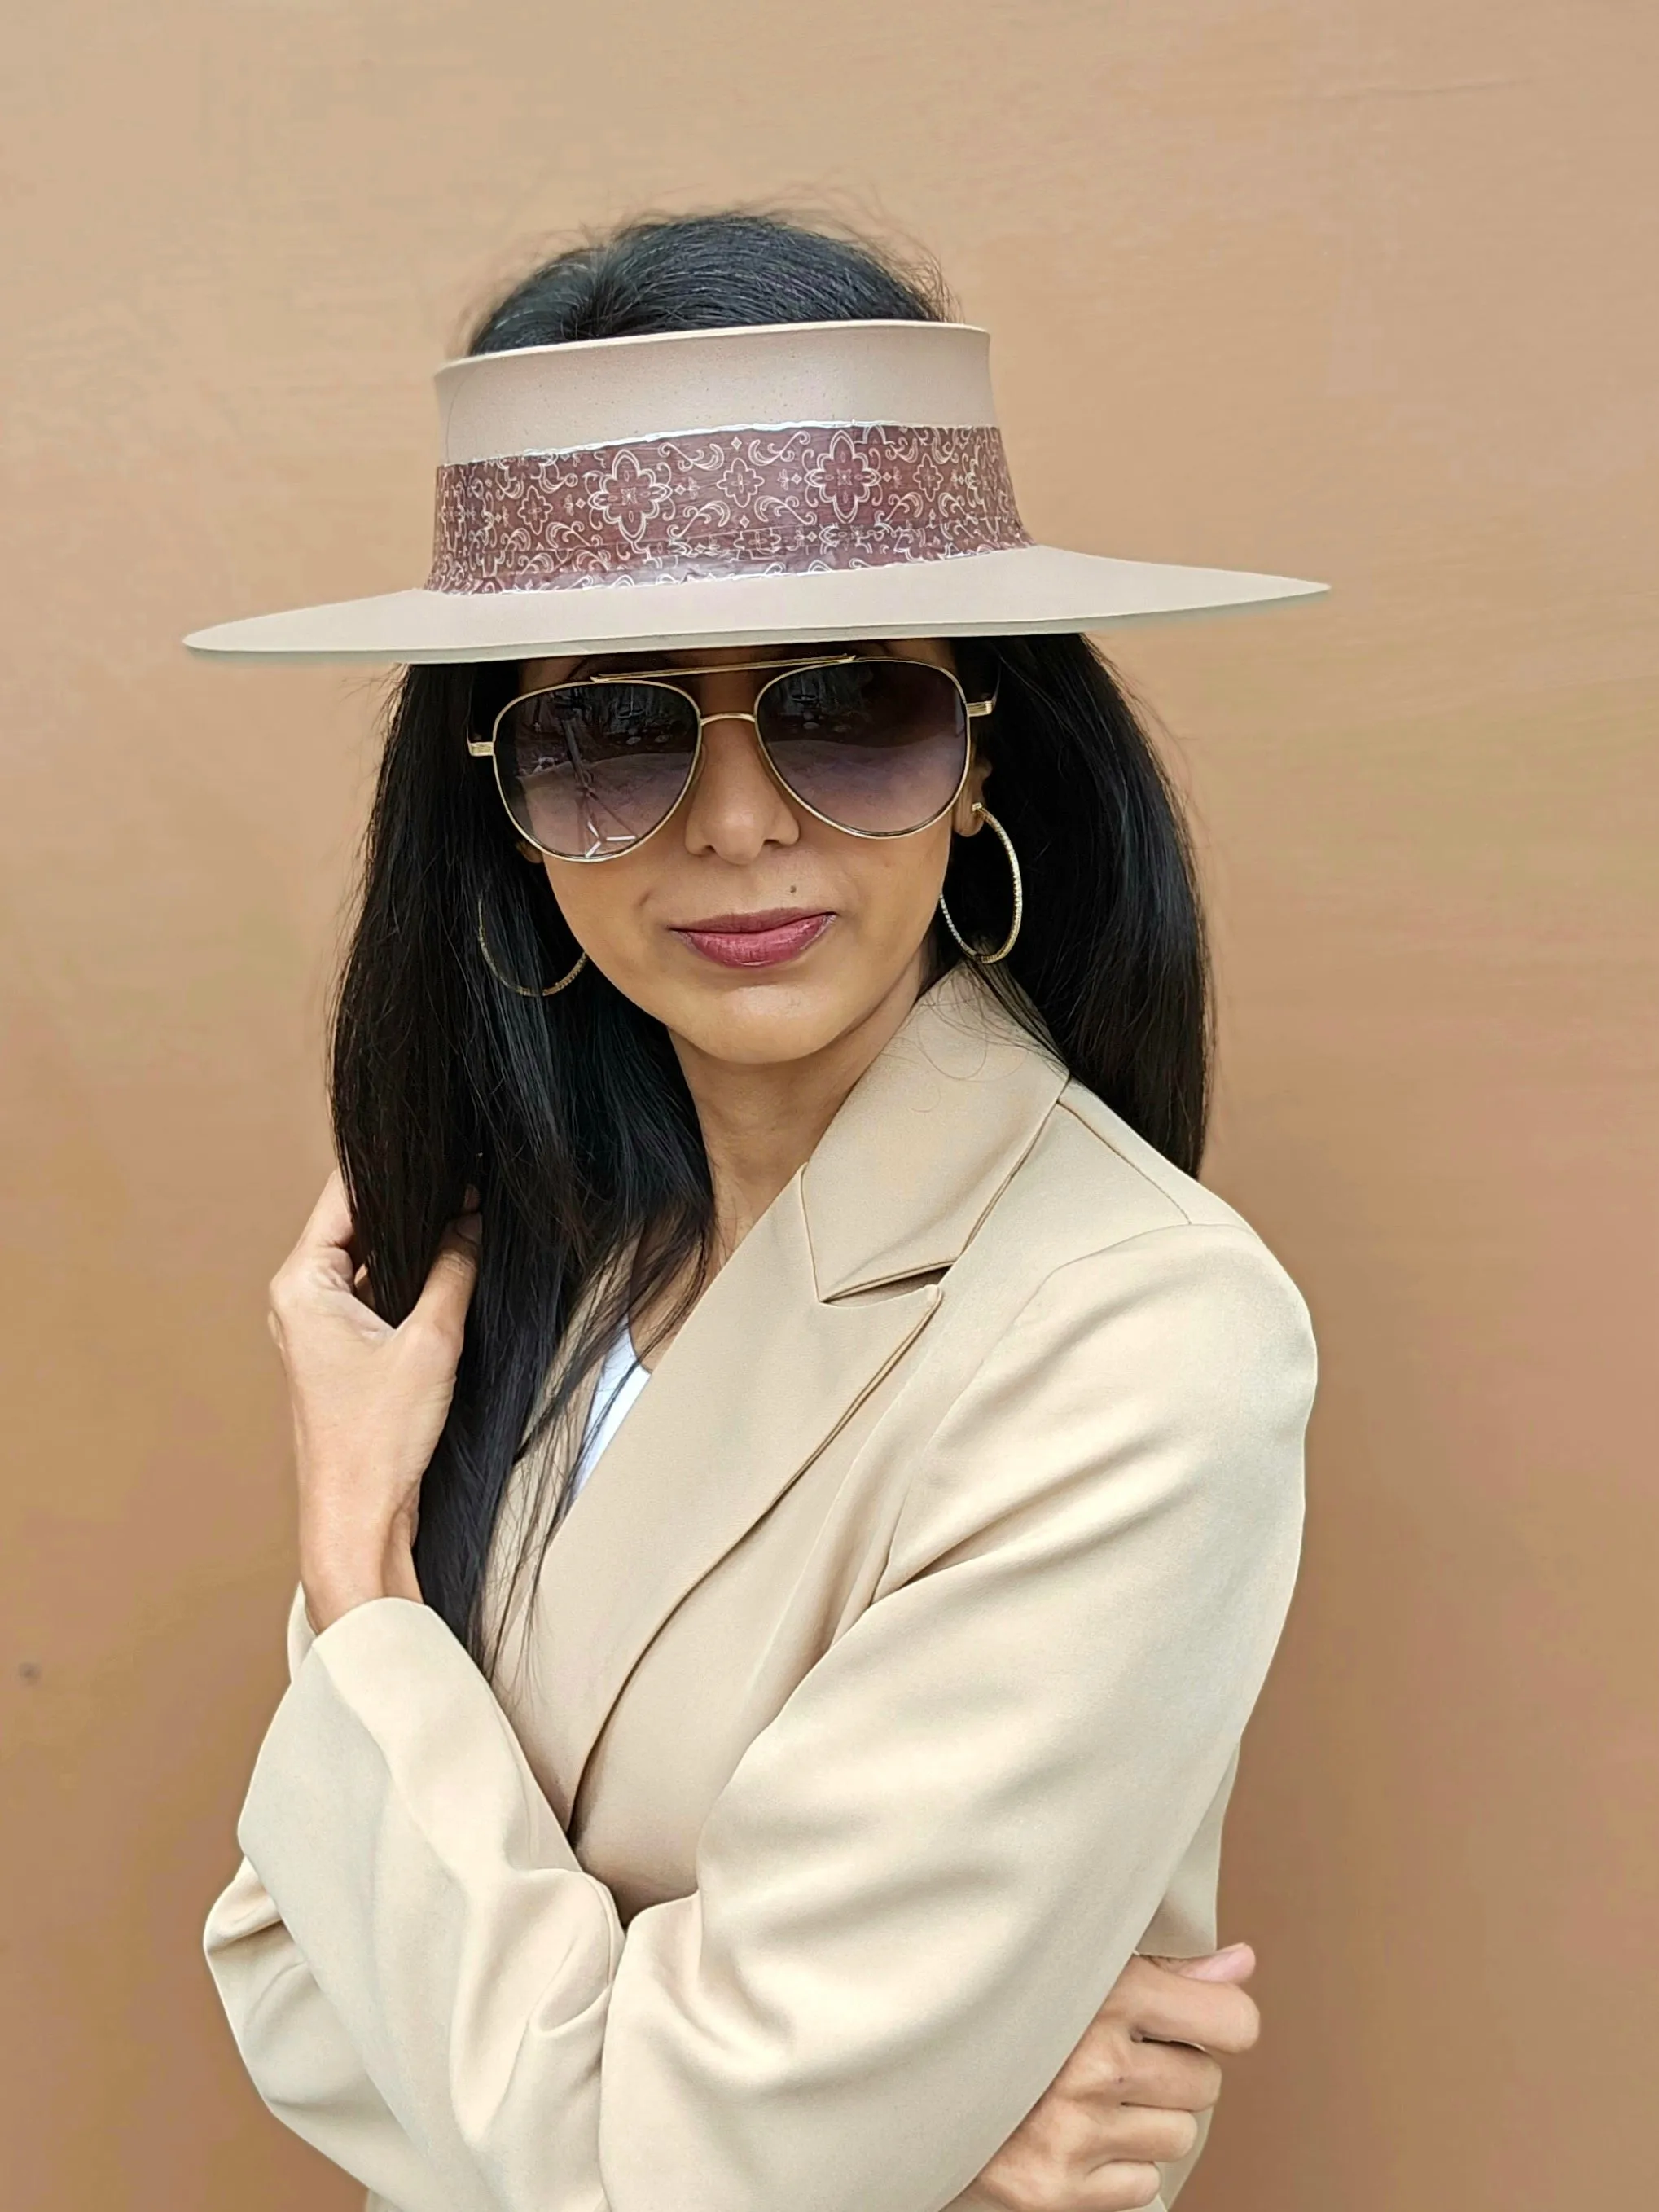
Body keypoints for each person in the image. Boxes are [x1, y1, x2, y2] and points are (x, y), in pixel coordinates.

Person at [191, 213, 1323, 2212]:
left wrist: (363, 1591)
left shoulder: (1139, 1332)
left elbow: (668, 2160)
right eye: (613, 730)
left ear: (984, 751)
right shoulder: (514, 1263)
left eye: (844, 709)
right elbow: (274, 1971)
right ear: (506, 802)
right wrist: (896, 2128)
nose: (733, 822)